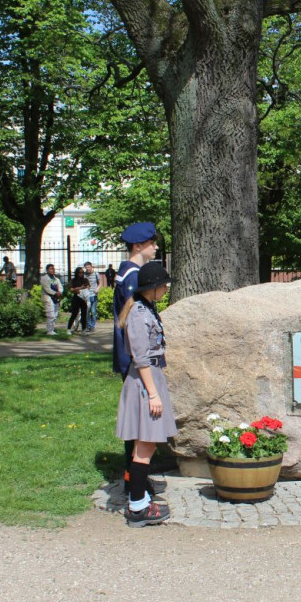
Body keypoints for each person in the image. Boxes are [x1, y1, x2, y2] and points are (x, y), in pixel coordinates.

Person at [116, 261, 176, 528]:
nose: (165, 288)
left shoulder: (146, 309)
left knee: (146, 446)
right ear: (152, 288)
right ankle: (138, 507)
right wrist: (153, 395)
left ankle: (138, 502)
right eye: (163, 284)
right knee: (145, 446)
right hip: (145, 383)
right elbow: (141, 359)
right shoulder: (139, 316)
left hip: (150, 379)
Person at [114, 223, 160, 497]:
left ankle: (136, 479)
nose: (155, 247)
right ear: (138, 246)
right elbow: (134, 322)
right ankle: (135, 482)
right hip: (136, 359)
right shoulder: (132, 277)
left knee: (139, 423)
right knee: (141, 424)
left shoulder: (126, 272)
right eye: (152, 243)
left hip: (131, 357)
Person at [39, 264, 63, 335]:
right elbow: (47, 289)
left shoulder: (56, 279)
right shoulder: (44, 278)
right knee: (50, 314)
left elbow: (60, 287)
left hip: (56, 298)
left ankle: (52, 329)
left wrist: (60, 292)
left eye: (53, 268)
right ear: (47, 270)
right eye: (50, 269)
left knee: (55, 314)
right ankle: (49, 330)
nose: (52, 270)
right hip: (48, 297)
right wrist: (55, 293)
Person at [66, 267, 90, 334]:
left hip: (83, 298)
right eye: (80, 272)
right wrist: (78, 288)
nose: (81, 274)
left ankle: (84, 329)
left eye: (82, 272)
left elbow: (88, 287)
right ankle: (69, 329)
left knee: (84, 314)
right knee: (74, 314)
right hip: (76, 298)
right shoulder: (73, 280)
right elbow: (71, 289)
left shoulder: (85, 280)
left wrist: (83, 288)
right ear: (76, 273)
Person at [84, 262, 100, 332]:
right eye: (86, 267)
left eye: (88, 267)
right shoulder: (84, 275)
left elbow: (100, 283)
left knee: (93, 311)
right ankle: (89, 325)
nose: (87, 269)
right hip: (87, 295)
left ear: (91, 267)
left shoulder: (96, 274)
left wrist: (97, 289)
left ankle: (93, 325)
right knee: (87, 311)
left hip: (94, 294)